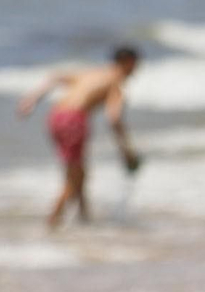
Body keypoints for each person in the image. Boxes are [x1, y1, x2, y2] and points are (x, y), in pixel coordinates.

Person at [16, 47, 143, 229]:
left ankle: (84, 220)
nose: (137, 70)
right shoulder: (116, 83)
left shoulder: (93, 73)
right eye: (136, 65)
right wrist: (127, 152)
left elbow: (56, 77)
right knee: (74, 178)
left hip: (55, 117)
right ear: (128, 62)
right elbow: (114, 119)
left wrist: (30, 100)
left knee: (79, 173)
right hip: (74, 120)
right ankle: (51, 223)